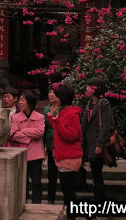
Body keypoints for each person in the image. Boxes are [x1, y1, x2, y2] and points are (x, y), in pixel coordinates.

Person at [47, 82, 82, 218]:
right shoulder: (65, 111)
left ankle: (72, 216)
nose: (54, 97)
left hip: (69, 157)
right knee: (67, 190)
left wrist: (59, 122)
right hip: (64, 156)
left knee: (69, 192)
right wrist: (52, 119)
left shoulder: (72, 114)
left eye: (57, 95)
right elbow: (60, 130)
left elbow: (72, 135)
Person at [7, 91, 45, 204]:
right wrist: (29, 137)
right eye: (20, 100)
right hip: (21, 153)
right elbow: (12, 134)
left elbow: (40, 132)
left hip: (36, 155)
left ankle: (36, 204)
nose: (20, 102)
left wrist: (23, 131)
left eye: (23, 100)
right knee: (22, 182)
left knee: (36, 182)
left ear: (30, 102)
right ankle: (22, 204)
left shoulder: (40, 117)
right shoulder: (15, 117)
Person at [81, 77, 113, 204]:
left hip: (96, 145)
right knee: (94, 173)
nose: (87, 89)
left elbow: (105, 126)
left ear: (97, 88)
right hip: (88, 144)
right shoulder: (90, 103)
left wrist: (99, 144)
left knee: (97, 174)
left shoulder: (103, 104)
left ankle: (100, 201)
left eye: (90, 86)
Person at [42, 84, 62, 204]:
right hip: (50, 145)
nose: (51, 95)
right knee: (51, 174)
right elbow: (44, 129)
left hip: (62, 145)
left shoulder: (63, 109)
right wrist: (43, 145)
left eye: (53, 92)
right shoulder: (46, 109)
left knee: (65, 176)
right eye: (49, 92)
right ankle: (50, 200)